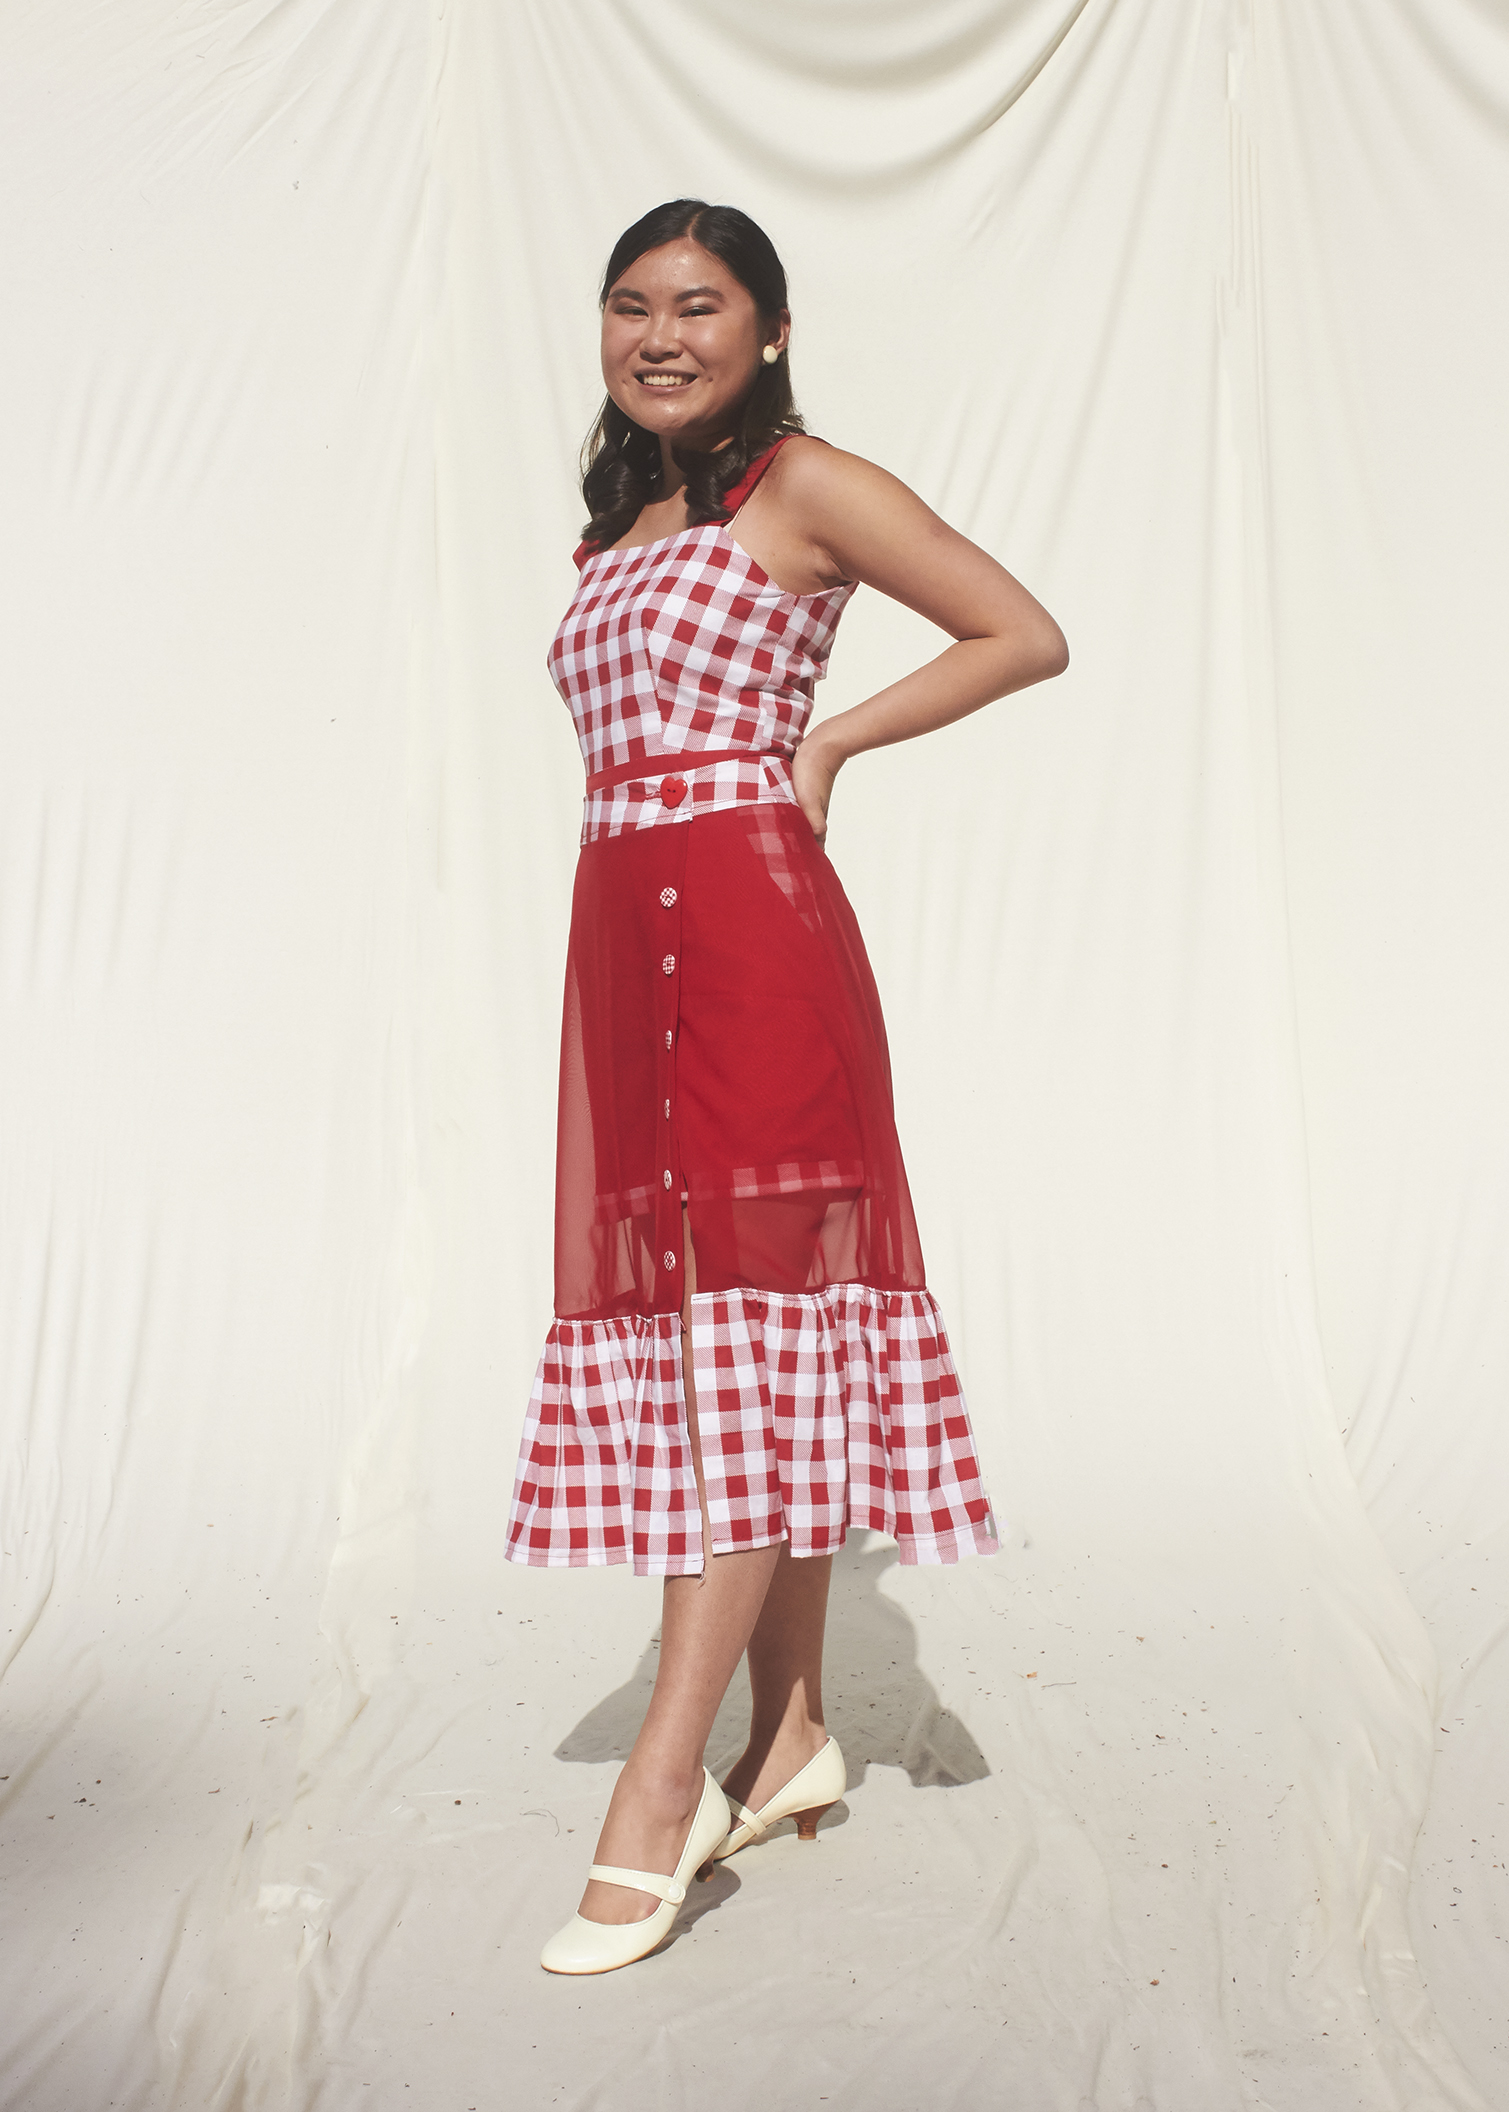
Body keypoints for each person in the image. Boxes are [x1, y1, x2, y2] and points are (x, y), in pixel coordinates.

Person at [503, 199, 1068, 1975]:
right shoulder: (632, 513)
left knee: (746, 1341)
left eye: (699, 305)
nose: (659, 334)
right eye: (629, 306)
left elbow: (1016, 629)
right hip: (626, 949)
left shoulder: (802, 484)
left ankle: (662, 1795)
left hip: (750, 945)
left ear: (768, 326)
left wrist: (827, 739)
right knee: (735, 1340)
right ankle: (796, 1727)